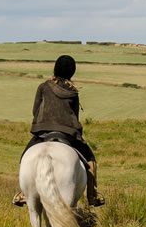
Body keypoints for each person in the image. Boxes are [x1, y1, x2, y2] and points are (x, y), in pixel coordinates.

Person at [13, 55, 104, 207]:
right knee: (90, 160)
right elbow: (75, 115)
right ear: (72, 72)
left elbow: (35, 110)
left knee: (25, 157)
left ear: (55, 68)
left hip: (43, 131)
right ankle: (93, 195)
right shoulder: (73, 92)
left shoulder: (43, 87)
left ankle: (23, 192)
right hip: (67, 133)